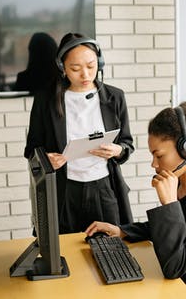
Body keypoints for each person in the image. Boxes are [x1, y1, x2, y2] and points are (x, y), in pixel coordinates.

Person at [85, 102, 186, 299]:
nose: (154, 164)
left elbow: (176, 266)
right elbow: (173, 231)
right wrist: (122, 231)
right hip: (185, 284)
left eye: (159, 155)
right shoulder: (182, 184)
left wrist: (170, 204)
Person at [24, 32, 134, 234]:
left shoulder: (115, 97)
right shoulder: (45, 101)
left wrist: (117, 150)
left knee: (111, 251)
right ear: (62, 67)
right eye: (75, 68)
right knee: (65, 253)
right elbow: (31, 150)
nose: (85, 75)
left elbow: (127, 144)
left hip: (104, 189)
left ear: (99, 63)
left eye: (91, 66)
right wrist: (46, 160)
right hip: (64, 193)